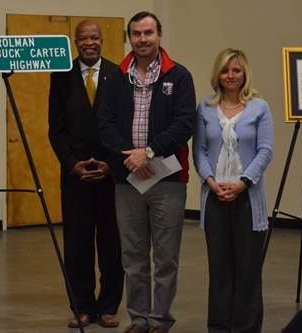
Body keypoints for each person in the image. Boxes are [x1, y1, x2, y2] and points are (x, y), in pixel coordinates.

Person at [98, 11, 196, 333]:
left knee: (165, 258)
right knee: (133, 257)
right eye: (137, 34)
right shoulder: (115, 77)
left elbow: (184, 124)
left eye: (148, 33)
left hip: (167, 179)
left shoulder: (179, 76)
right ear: (130, 38)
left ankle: (160, 321)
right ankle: (139, 319)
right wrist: (129, 156)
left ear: (159, 35)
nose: (143, 39)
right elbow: (104, 123)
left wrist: (149, 152)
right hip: (127, 179)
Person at [48, 19, 124, 329]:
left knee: (111, 244)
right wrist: (72, 164)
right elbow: (56, 129)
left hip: (110, 176)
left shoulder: (117, 75)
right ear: (75, 42)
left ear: (102, 41)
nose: (89, 43)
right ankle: (82, 308)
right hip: (75, 176)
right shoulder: (61, 75)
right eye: (83, 39)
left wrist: (110, 163)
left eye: (94, 38)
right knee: (77, 245)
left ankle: (108, 307)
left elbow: (123, 125)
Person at [193, 48, 273, 333]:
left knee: (248, 270)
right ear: (218, 74)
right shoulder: (205, 108)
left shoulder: (259, 107)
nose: (230, 75)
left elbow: (265, 151)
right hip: (215, 197)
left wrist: (242, 183)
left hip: (248, 200)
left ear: (244, 74)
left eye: (236, 70)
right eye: (226, 70)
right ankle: (219, 327)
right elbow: (200, 151)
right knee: (220, 270)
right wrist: (211, 182)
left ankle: (246, 328)